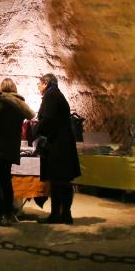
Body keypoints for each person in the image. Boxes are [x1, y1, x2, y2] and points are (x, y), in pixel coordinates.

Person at [0, 78, 35, 225]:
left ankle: (0, 214)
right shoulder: (20, 105)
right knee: (5, 182)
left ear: (2, 88)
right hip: (9, 149)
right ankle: (8, 214)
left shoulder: (1, 101)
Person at [35, 73, 81, 224]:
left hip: (58, 145)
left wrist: (35, 131)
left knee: (58, 181)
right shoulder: (56, 94)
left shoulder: (51, 95)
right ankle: (65, 215)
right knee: (63, 181)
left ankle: (57, 215)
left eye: (39, 84)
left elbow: (47, 119)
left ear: (45, 83)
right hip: (64, 144)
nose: (38, 87)